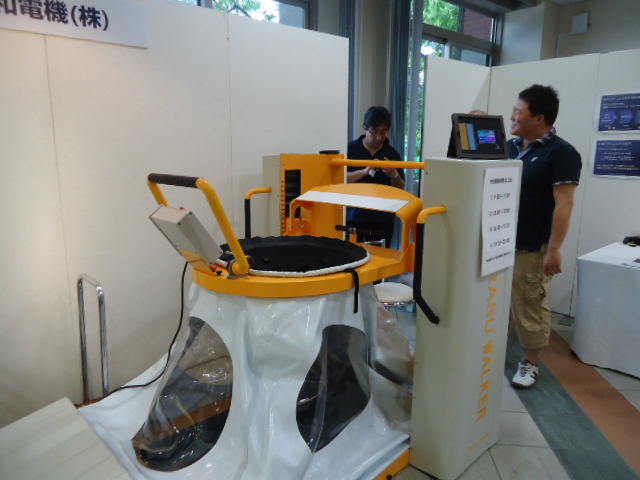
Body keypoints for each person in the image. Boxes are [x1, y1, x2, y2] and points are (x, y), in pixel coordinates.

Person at [508, 85, 582, 389]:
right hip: (500, 244)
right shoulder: (510, 148)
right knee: (505, 301)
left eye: (518, 112)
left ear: (539, 118)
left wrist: (554, 249)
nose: (512, 116)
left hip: (532, 246)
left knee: (531, 302)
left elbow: (565, 204)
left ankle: (530, 362)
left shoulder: (561, 153)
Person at [346, 106, 405, 247]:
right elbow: (339, 180)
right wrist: (364, 172)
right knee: (352, 258)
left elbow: (401, 188)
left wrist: (393, 174)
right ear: (365, 128)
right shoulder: (350, 149)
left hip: (383, 221)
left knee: (381, 259)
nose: (379, 137)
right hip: (353, 219)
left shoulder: (392, 154)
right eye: (374, 132)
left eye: (383, 132)